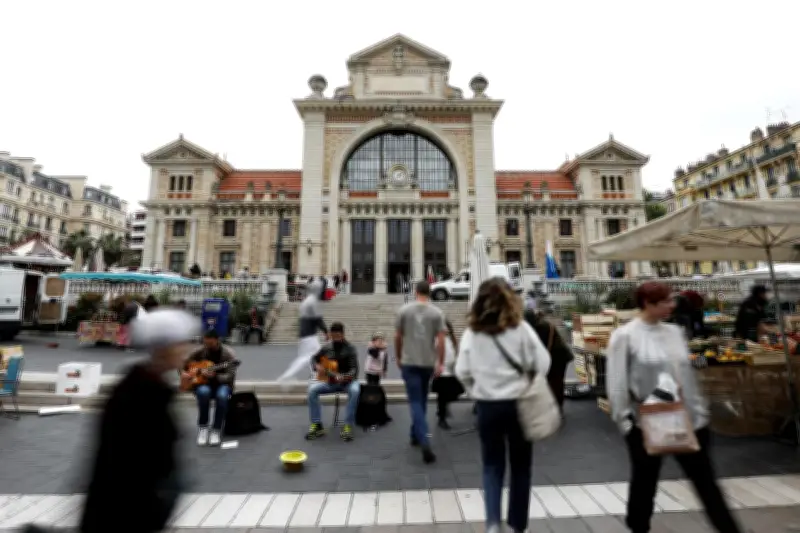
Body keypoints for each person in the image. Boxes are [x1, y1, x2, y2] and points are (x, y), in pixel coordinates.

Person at [606, 281, 742, 533]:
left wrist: (700, 410)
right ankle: (638, 527)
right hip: (647, 420)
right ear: (648, 304)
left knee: (706, 482)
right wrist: (625, 422)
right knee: (645, 483)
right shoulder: (625, 336)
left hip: (689, 419)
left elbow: (687, 374)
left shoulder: (675, 332)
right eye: (666, 301)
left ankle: (728, 529)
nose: (672, 305)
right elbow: (616, 382)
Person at [79, 309, 200, 533]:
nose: (187, 350)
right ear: (163, 348)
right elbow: (129, 466)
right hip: (124, 516)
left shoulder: (149, 387)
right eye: (181, 343)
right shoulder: (140, 394)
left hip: (132, 513)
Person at [455, 278, 551, 533]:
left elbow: (462, 370)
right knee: (521, 467)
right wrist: (527, 380)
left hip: (488, 406)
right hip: (519, 404)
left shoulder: (473, 333)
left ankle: (493, 524)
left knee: (491, 465)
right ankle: (518, 525)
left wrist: (476, 390)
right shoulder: (521, 329)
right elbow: (544, 362)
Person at [395, 279, 446, 464]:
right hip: (427, 363)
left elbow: (397, 336)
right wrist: (440, 362)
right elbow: (441, 341)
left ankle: (423, 440)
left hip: (409, 362)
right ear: (430, 292)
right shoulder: (437, 313)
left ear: (416, 291)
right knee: (422, 399)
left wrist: (398, 356)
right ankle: (415, 434)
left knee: (416, 401)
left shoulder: (404, 310)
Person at [306, 322, 360, 441]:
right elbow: (314, 359)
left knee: (355, 390)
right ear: (330, 335)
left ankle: (348, 425)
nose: (335, 338)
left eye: (338, 335)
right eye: (333, 335)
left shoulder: (350, 348)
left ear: (343, 335)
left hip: (348, 382)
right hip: (330, 381)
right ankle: (317, 424)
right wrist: (316, 366)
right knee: (312, 390)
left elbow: (354, 370)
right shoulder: (326, 348)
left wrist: (344, 377)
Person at [183, 330, 238, 446]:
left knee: (222, 396)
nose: (207, 346)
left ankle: (216, 430)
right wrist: (187, 373)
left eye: (210, 344)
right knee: (203, 393)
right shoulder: (200, 351)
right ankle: (203, 428)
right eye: (205, 343)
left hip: (223, 384)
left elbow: (230, 376)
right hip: (203, 383)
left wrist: (215, 376)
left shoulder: (228, 354)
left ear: (217, 341)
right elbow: (184, 363)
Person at [523, 307, 573, 415]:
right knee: (552, 383)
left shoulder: (543, 327)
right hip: (552, 355)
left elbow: (540, 347)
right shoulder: (536, 326)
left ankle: (557, 410)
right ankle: (552, 408)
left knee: (556, 384)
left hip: (558, 357)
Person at [276, 279, 328, 382]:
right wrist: (326, 332)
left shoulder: (307, 301)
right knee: (308, 358)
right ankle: (287, 377)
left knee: (310, 357)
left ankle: (314, 375)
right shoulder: (313, 301)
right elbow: (318, 319)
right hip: (310, 335)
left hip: (305, 334)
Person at [431, 319, 464, 429]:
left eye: (446, 327)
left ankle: (443, 409)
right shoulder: (436, 340)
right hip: (442, 372)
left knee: (455, 392)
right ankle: (442, 417)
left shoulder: (450, 340)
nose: (445, 329)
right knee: (442, 396)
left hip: (451, 371)